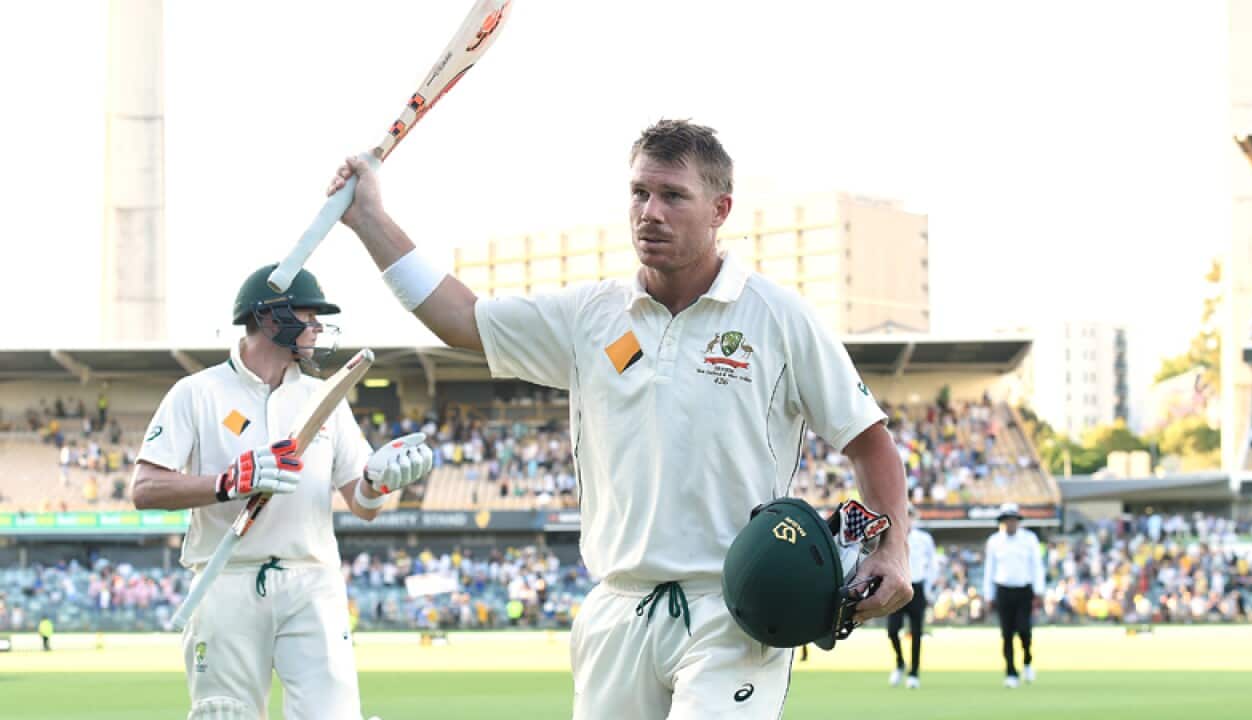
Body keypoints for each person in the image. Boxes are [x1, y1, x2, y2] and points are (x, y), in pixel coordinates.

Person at [328, 118, 911, 718]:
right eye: (639, 193)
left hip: (734, 607)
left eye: (673, 196)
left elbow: (869, 442)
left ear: (721, 209)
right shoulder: (591, 314)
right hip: (616, 608)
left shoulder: (779, 316)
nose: (649, 212)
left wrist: (892, 552)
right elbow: (461, 318)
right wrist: (369, 218)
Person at [130, 265, 432, 720]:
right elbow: (145, 489)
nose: (316, 330)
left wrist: (381, 480)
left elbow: (364, 505)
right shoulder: (196, 393)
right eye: (309, 318)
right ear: (271, 319)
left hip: (312, 581)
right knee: (224, 714)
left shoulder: (325, 397)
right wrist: (226, 484)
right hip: (225, 578)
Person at [982, 502, 1045, 688]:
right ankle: (1010, 671)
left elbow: (1036, 566)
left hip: (1024, 589)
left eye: (1013, 520)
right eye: (1007, 520)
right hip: (1003, 589)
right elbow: (990, 569)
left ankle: (1027, 662)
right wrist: (989, 595)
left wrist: (1039, 590)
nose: (1010, 524)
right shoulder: (994, 541)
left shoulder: (1029, 539)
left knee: (1024, 630)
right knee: (1006, 633)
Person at [888, 504, 937, 689]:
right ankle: (900, 663)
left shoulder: (924, 539)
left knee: (916, 632)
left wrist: (928, 587)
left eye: (909, 515)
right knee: (893, 631)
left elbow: (932, 564)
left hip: (917, 586)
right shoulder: (890, 537)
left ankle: (914, 672)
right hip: (897, 587)